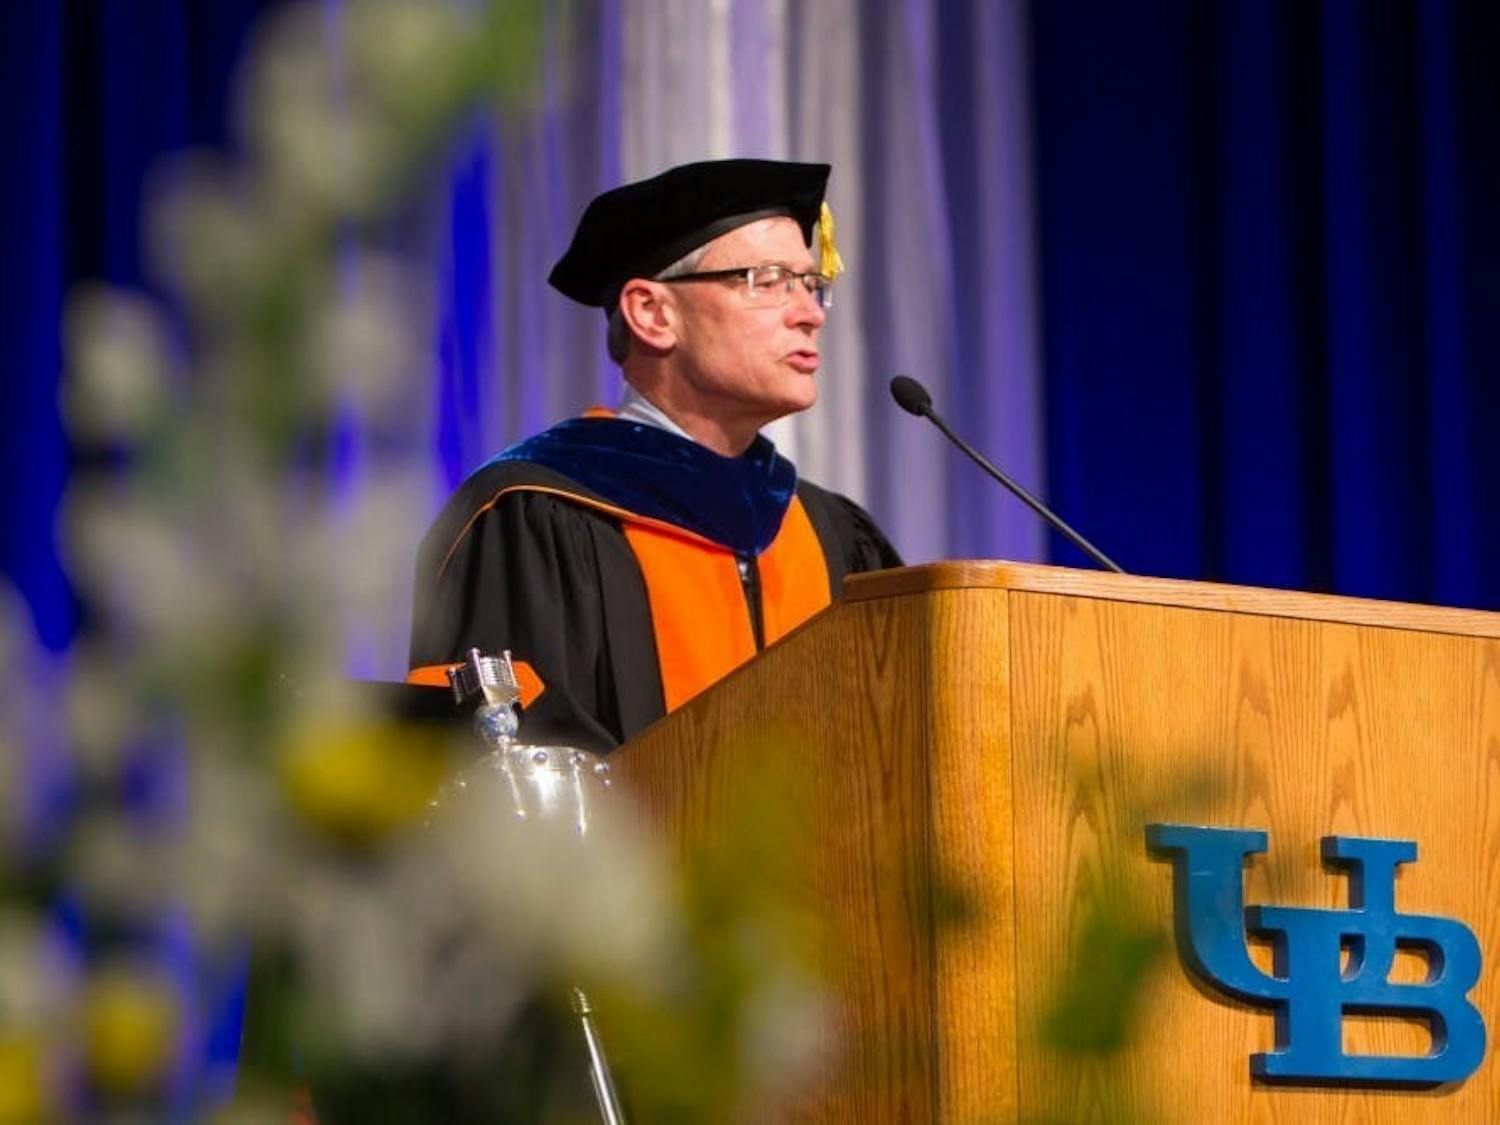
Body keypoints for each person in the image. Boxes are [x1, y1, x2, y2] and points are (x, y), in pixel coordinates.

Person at [407, 159, 901, 749]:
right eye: (769, 282)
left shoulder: (833, 537)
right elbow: (505, 772)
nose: (810, 314)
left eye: (811, 284)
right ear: (651, 313)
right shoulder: (534, 518)